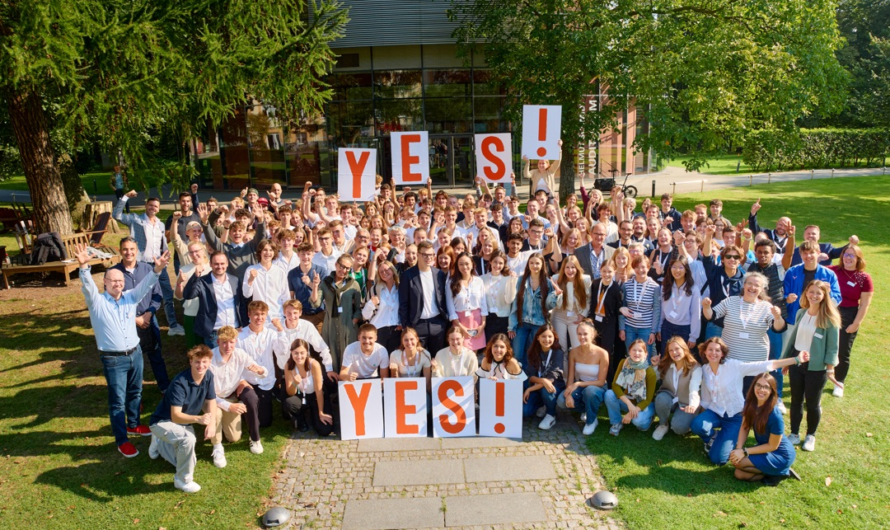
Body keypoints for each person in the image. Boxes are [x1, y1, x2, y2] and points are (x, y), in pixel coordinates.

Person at [77, 244, 168, 457]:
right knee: (118, 400)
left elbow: (146, 286)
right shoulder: (97, 302)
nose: (117, 284)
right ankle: (122, 439)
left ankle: (133, 424)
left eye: (120, 281)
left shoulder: (129, 297)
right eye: (113, 281)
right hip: (113, 359)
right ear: (105, 283)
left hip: (135, 354)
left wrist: (157, 270)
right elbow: (88, 287)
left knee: (136, 392)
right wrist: (83, 266)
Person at [691, 337, 808, 466]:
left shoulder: (734, 366)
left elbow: (765, 365)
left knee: (718, 459)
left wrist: (796, 359)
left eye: (717, 350)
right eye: (710, 350)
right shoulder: (705, 370)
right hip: (715, 411)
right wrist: (702, 417)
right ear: (705, 352)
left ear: (722, 353)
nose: (713, 353)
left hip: (735, 415)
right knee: (697, 425)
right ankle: (714, 438)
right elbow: (706, 397)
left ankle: (725, 439)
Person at [147, 345, 218, 493]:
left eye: (204, 361)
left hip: (184, 422)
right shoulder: (180, 383)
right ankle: (182, 480)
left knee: (189, 460)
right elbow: (175, 415)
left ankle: (159, 442)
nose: (201, 365)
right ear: (190, 361)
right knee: (188, 441)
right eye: (197, 361)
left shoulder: (209, 375)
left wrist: (212, 424)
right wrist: (199, 419)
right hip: (163, 422)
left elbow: (211, 400)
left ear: (210, 362)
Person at [703, 272, 786, 396]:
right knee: (729, 395)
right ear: (744, 284)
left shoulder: (766, 307)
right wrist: (706, 307)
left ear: (762, 289)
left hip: (754, 362)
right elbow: (711, 316)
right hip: (730, 360)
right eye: (749, 283)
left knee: (750, 396)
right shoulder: (730, 301)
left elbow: (777, 328)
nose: (752, 288)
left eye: (756, 285)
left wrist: (778, 317)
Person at [113, 191, 183, 336]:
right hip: (142, 265)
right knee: (141, 296)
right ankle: (138, 323)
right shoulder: (135, 219)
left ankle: (173, 325)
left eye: (156, 206)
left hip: (159, 265)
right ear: (146, 206)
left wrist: (165, 256)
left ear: (158, 209)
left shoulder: (161, 224)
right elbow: (116, 215)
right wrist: (125, 197)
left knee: (167, 294)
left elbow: (162, 243)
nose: (153, 208)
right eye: (151, 205)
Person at [782, 280, 840, 452]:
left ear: (824, 296)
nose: (814, 296)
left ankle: (811, 435)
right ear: (806, 293)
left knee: (812, 403)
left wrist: (830, 369)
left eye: (818, 293)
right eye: (811, 292)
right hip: (797, 363)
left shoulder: (829, 319)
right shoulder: (801, 313)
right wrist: (787, 361)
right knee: (795, 400)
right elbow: (793, 340)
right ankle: (793, 433)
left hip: (816, 367)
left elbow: (832, 347)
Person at [111, 237, 169, 392]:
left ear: (137, 251)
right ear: (120, 251)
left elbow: (157, 295)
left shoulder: (148, 269)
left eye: (132, 249)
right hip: (127, 323)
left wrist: (149, 314)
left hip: (149, 319)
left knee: (156, 355)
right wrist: (134, 318)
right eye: (125, 249)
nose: (128, 252)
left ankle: (165, 389)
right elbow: (112, 301)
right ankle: (134, 394)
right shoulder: (114, 272)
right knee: (131, 361)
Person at [208, 326, 267, 467]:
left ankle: (255, 438)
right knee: (215, 413)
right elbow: (207, 393)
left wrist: (259, 371)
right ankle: (217, 447)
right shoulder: (210, 359)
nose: (228, 346)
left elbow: (262, 371)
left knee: (234, 438)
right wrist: (229, 406)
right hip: (212, 400)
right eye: (224, 342)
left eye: (231, 342)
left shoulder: (240, 354)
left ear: (236, 342)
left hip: (230, 397)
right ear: (218, 342)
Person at [729, 373, 801, 486]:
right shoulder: (750, 402)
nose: (761, 390)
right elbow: (745, 426)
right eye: (758, 385)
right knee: (739, 474)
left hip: (781, 454)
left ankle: (781, 470)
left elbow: (773, 446)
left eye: (766, 387)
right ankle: (775, 472)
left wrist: (744, 451)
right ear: (753, 386)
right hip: (765, 449)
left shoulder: (775, 415)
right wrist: (738, 449)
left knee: (740, 464)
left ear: (772, 391)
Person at [827, 244, 873, 397]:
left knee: (843, 351)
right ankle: (818, 377)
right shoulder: (833, 271)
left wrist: (856, 323)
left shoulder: (864, 278)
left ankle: (839, 382)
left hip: (849, 315)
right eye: (846, 254)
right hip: (829, 312)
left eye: (852, 255)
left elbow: (865, 303)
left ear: (858, 258)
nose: (848, 258)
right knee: (822, 346)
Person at [236, 301, 283, 448]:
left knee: (265, 422)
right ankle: (253, 434)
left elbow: (283, 351)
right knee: (251, 400)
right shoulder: (240, 335)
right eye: (256, 314)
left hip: (266, 381)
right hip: (247, 381)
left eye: (262, 314)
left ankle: (248, 410)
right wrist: (240, 381)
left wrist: (281, 330)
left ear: (266, 315)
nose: (259, 317)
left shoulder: (271, 334)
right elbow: (235, 360)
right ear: (249, 314)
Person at [312, 254, 363, 374]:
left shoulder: (353, 284)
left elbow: (358, 308)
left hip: (348, 326)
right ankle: (333, 388)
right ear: (336, 265)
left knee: (348, 355)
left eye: (347, 268)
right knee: (331, 355)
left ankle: (347, 386)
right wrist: (314, 286)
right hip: (330, 325)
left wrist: (353, 321)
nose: (343, 270)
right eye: (342, 266)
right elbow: (316, 303)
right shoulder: (325, 283)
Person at [558, 321, 609, 435]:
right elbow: (570, 377)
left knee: (589, 391)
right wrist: (569, 394)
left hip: (597, 387)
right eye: (579, 334)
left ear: (592, 334)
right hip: (581, 385)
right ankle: (588, 410)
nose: (582, 337)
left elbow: (601, 382)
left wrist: (578, 384)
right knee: (561, 401)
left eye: (585, 334)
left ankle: (591, 421)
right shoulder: (574, 352)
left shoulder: (602, 353)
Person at [183, 252, 244, 348]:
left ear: (227, 263)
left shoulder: (235, 280)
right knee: (217, 362)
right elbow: (188, 295)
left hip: (235, 330)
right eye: (216, 264)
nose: (219, 266)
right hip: (215, 333)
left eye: (222, 263)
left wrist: (243, 325)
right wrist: (195, 276)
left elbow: (241, 304)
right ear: (210, 264)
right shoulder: (203, 281)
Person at [399, 241, 449, 355]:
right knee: (419, 360)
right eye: (425, 255)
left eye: (431, 255)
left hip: (438, 324)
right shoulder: (407, 276)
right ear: (418, 255)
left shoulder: (439, 274)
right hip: (417, 325)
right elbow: (403, 303)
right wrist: (407, 327)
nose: (428, 258)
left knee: (437, 360)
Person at [508, 253, 558, 366]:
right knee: (517, 355)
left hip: (539, 323)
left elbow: (549, 306)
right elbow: (515, 304)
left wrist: (555, 295)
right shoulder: (521, 280)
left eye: (537, 263)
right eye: (531, 263)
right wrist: (512, 325)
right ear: (528, 265)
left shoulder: (548, 283)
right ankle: (518, 381)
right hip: (522, 323)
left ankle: (530, 382)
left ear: (542, 265)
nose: (534, 265)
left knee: (533, 355)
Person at [652, 337, 701, 441]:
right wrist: (654, 366)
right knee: (661, 399)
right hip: (669, 397)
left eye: (677, 349)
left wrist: (692, 405)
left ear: (684, 348)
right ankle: (663, 425)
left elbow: (694, 389)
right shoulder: (666, 363)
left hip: (686, 403)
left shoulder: (696, 368)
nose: (674, 352)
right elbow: (652, 378)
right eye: (671, 350)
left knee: (678, 428)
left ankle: (690, 420)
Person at [701, 224, 745, 339]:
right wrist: (709, 235)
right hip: (715, 324)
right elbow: (707, 256)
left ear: (739, 261)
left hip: (735, 327)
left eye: (736, 258)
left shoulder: (744, 279)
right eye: (729, 256)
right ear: (723, 259)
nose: (732, 259)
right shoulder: (715, 273)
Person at [605, 339, 656, 436]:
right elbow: (615, 385)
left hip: (643, 404)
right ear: (629, 351)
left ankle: (649, 419)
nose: (637, 353)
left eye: (640, 351)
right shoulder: (623, 363)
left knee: (638, 423)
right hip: (629, 402)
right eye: (634, 350)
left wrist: (630, 414)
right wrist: (629, 404)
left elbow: (648, 399)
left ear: (646, 354)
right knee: (609, 394)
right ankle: (617, 422)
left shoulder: (650, 372)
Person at [283, 339, 334, 436]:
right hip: (302, 396)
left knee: (325, 430)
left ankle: (315, 412)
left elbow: (319, 391)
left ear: (307, 352)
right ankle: (301, 419)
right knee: (289, 403)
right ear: (291, 353)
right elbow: (290, 393)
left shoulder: (314, 364)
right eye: (296, 353)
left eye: (302, 353)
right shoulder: (289, 366)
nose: (299, 356)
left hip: (316, 396)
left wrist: (321, 412)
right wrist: (294, 383)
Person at [783, 240, 841, 323]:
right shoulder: (791, 272)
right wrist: (787, 299)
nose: (808, 256)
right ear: (800, 254)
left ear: (818, 253)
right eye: (805, 253)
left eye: (811, 252)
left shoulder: (829, 274)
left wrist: (829, 293)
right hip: (793, 318)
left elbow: (837, 299)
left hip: (818, 320)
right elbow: (783, 295)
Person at [522, 324, 566, 430]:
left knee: (546, 389)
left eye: (550, 336)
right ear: (538, 338)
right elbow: (530, 376)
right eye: (543, 336)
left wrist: (530, 388)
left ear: (554, 338)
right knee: (525, 411)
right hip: (538, 387)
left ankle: (551, 415)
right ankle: (543, 404)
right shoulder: (532, 352)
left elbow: (551, 379)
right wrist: (541, 381)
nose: (547, 339)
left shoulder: (558, 353)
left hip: (554, 387)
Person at [619, 256, 661, 361]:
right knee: (631, 357)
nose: (640, 270)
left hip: (646, 329)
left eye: (643, 267)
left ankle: (644, 378)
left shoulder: (655, 287)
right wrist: (622, 328)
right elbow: (622, 306)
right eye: (637, 267)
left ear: (648, 267)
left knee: (645, 358)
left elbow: (657, 309)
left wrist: (653, 331)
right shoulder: (627, 285)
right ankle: (632, 377)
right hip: (629, 328)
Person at [446, 252, 489, 351]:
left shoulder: (479, 281)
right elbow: (451, 309)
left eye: (466, 263)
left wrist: (482, 325)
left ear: (472, 264)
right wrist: (461, 327)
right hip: (459, 322)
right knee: (460, 352)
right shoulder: (451, 283)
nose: (464, 267)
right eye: (461, 264)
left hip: (476, 322)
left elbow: (483, 305)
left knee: (473, 355)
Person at [659, 256, 701, 353]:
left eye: (681, 267)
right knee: (665, 358)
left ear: (686, 270)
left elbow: (696, 314)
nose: (677, 270)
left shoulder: (693, 289)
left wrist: (693, 336)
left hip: (684, 329)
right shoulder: (665, 286)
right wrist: (659, 327)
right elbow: (662, 309)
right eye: (674, 267)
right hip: (667, 326)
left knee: (681, 358)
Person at [175, 241, 212, 348]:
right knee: (194, 348)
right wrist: (179, 283)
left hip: (209, 314)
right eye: (191, 252)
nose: (194, 255)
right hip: (192, 314)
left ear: (203, 250)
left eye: (196, 251)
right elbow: (178, 296)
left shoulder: (213, 267)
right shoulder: (184, 270)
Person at [550, 256, 592, 351]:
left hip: (576, 316)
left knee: (577, 347)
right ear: (563, 268)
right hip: (559, 316)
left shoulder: (585, 280)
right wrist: (556, 294)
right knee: (561, 348)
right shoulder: (556, 279)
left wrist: (582, 315)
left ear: (577, 268)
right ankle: (562, 366)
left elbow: (588, 299)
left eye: (573, 267)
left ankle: (575, 366)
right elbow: (550, 301)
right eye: (567, 267)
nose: (570, 270)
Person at [243, 240, 289, 321]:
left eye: (271, 250)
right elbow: (246, 294)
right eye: (265, 250)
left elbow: (285, 296)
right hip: (258, 317)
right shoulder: (251, 270)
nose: (268, 253)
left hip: (277, 316)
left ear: (274, 253)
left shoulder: (280, 271)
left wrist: (286, 315)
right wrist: (251, 280)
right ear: (260, 252)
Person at [363, 259, 402, 353]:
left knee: (393, 361)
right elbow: (365, 315)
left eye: (387, 270)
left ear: (392, 270)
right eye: (381, 272)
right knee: (379, 363)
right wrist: (371, 304)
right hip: (378, 331)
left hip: (396, 331)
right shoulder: (375, 289)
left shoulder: (400, 288)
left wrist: (402, 323)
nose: (384, 273)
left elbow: (404, 308)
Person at [481, 250, 517, 338]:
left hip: (503, 319)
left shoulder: (508, 279)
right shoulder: (482, 279)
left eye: (500, 263)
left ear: (504, 264)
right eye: (495, 262)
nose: (497, 265)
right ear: (490, 262)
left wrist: (513, 281)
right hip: (487, 318)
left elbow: (509, 300)